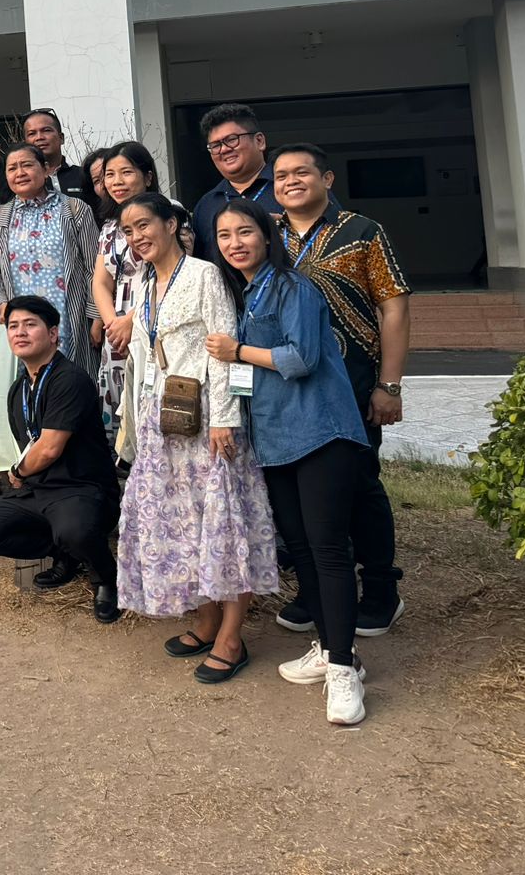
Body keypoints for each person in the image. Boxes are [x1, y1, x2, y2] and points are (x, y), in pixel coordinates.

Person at [205, 199, 373, 725]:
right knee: (300, 550)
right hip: (276, 441)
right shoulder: (250, 295)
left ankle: (345, 670)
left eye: (245, 231)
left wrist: (237, 353)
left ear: (267, 233)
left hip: (321, 433)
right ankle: (328, 648)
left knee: (327, 550)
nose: (235, 242)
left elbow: (301, 358)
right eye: (225, 234)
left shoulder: (293, 286)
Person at [114, 193, 279, 685]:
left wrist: (226, 417)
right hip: (161, 419)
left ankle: (232, 634)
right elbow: (144, 356)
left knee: (222, 524)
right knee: (186, 524)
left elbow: (222, 346)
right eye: (128, 231)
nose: (137, 237)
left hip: (205, 416)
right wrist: (136, 417)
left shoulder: (204, 274)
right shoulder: (143, 282)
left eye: (144, 225)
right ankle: (206, 619)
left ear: (172, 224)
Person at [271, 142, 413, 637]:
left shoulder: (362, 231)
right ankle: (318, 592)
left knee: (358, 487)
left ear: (327, 179)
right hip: (287, 388)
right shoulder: (268, 234)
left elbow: (393, 306)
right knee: (302, 492)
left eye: (301, 172)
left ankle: (380, 591)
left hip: (352, 385)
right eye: (281, 175)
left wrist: (388, 385)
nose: (290, 181)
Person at [0, 295, 122, 624]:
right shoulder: (19, 388)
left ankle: (106, 579)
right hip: (37, 491)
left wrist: (17, 471)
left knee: (75, 529)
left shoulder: (69, 379)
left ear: (53, 333)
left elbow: (49, 449)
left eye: (30, 325)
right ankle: (65, 555)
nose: (19, 332)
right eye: (13, 326)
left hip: (81, 489)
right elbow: (22, 451)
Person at [89, 140, 186, 460]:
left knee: (158, 414)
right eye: (109, 175)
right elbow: (100, 281)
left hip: (157, 327)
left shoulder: (170, 212)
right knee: (121, 419)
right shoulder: (110, 225)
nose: (116, 182)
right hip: (117, 336)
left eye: (125, 173)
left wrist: (132, 320)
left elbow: (177, 273)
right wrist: (113, 323)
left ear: (147, 176)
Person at [0, 142, 99, 364]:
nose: (20, 173)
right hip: (21, 326)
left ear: (45, 169)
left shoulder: (74, 209)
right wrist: (2, 305)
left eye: (27, 165)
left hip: (70, 321)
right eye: (12, 168)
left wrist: (96, 318)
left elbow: (93, 267)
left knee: (70, 384)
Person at [191, 103, 283, 264]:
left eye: (232, 140)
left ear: (259, 141)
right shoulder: (206, 205)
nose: (224, 150)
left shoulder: (290, 188)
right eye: (215, 145)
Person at [23, 109, 92, 202]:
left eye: (46, 130)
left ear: (61, 138)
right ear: (25, 143)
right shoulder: (21, 182)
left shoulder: (84, 176)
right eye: (32, 133)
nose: (39, 137)